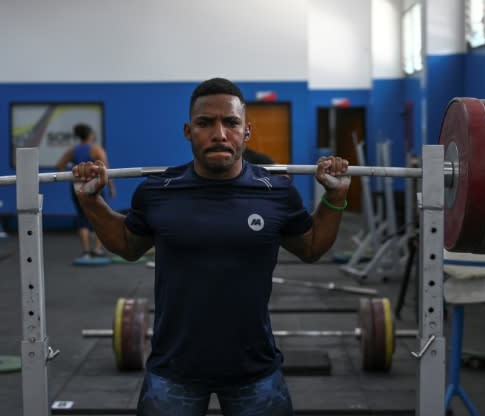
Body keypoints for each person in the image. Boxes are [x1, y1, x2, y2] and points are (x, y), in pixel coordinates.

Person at [71, 77, 351, 416]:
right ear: (189, 131)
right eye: (206, 123)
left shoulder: (276, 192)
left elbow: (312, 247)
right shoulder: (158, 191)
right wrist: (91, 202)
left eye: (231, 122)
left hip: (255, 370)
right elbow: (128, 245)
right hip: (174, 370)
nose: (219, 133)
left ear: (247, 131)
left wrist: (335, 197)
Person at [56, 123, 116, 259]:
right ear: (90, 135)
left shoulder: (72, 151)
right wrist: (112, 187)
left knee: (83, 218)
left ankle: (86, 251)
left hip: (78, 188)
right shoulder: (96, 149)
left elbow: (59, 166)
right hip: (94, 187)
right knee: (101, 217)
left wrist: (72, 177)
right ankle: (97, 249)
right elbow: (106, 170)